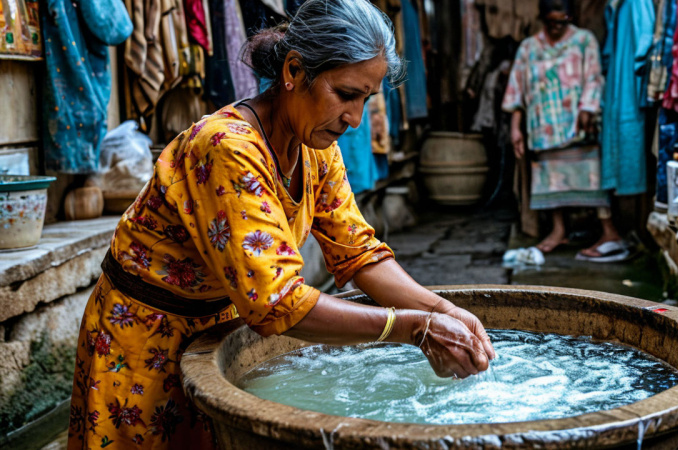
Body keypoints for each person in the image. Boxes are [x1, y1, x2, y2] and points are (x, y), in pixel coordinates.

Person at [67, 1, 494, 448]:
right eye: (346, 94)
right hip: (142, 340)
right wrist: (409, 327)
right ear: (294, 71)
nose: (355, 119)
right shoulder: (226, 148)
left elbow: (358, 252)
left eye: (366, 98)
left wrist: (440, 311)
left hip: (218, 329)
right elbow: (278, 302)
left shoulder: (316, 148)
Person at [503, 0, 628, 261]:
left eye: (563, 21)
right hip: (543, 127)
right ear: (542, 18)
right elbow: (516, 89)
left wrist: (588, 108)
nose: (557, 27)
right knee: (549, 181)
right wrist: (516, 128)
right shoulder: (529, 47)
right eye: (552, 22)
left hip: (577, 125)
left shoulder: (584, 40)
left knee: (592, 178)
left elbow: (594, 77)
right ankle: (558, 230)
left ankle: (609, 231)